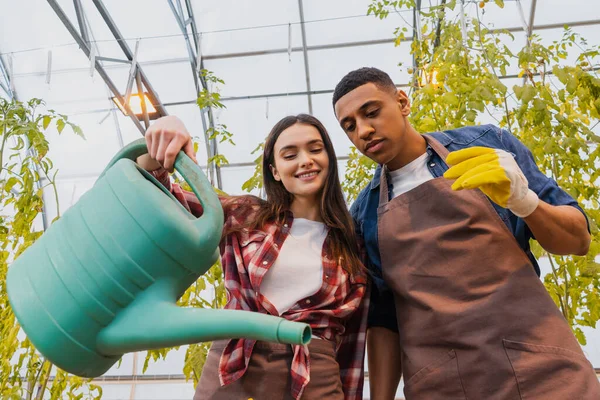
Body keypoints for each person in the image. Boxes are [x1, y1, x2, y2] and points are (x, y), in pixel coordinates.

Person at [332, 67, 599, 399]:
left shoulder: (487, 146)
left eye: (371, 113)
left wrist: (524, 201)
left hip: (542, 371)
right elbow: (384, 321)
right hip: (443, 384)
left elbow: (578, 241)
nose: (364, 130)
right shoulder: (364, 214)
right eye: (350, 126)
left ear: (402, 102)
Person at [136, 114, 369, 400]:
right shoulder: (246, 215)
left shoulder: (352, 242)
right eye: (290, 154)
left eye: (315, 149)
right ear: (275, 170)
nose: (305, 160)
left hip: (315, 375)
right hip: (236, 364)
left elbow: (353, 342)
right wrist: (164, 132)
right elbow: (163, 197)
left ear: (329, 160)